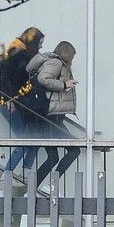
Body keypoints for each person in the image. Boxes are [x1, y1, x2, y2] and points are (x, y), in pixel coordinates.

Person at [0, 27, 44, 174]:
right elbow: (7, 77)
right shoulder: (18, 54)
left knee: (34, 139)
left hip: (14, 101)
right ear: (33, 42)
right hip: (7, 101)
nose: (41, 46)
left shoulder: (18, 52)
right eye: (40, 43)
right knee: (24, 140)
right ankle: (7, 175)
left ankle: (26, 173)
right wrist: (9, 99)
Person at [27, 40, 80, 186]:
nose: (72, 60)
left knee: (52, 157)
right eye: (72, 56)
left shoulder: (53, 62)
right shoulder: (56, 63)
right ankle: (51, 185)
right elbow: (43, 79)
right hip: (51, 118)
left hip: (47, 117)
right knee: (74, 150)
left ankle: (32, 188)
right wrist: (64, 84)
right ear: (67, 53)